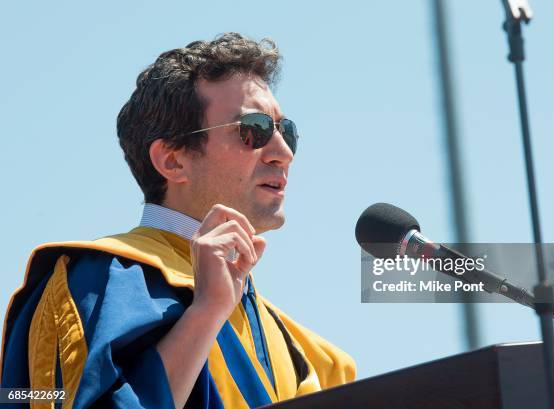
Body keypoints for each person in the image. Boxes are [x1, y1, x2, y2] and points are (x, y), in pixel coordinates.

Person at [1, 33, 356, 409]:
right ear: (173, 160)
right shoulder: (95, 282)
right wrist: (205, 314)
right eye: (253, 130)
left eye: (286, 131)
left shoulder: (310, 357)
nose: (283, 153)